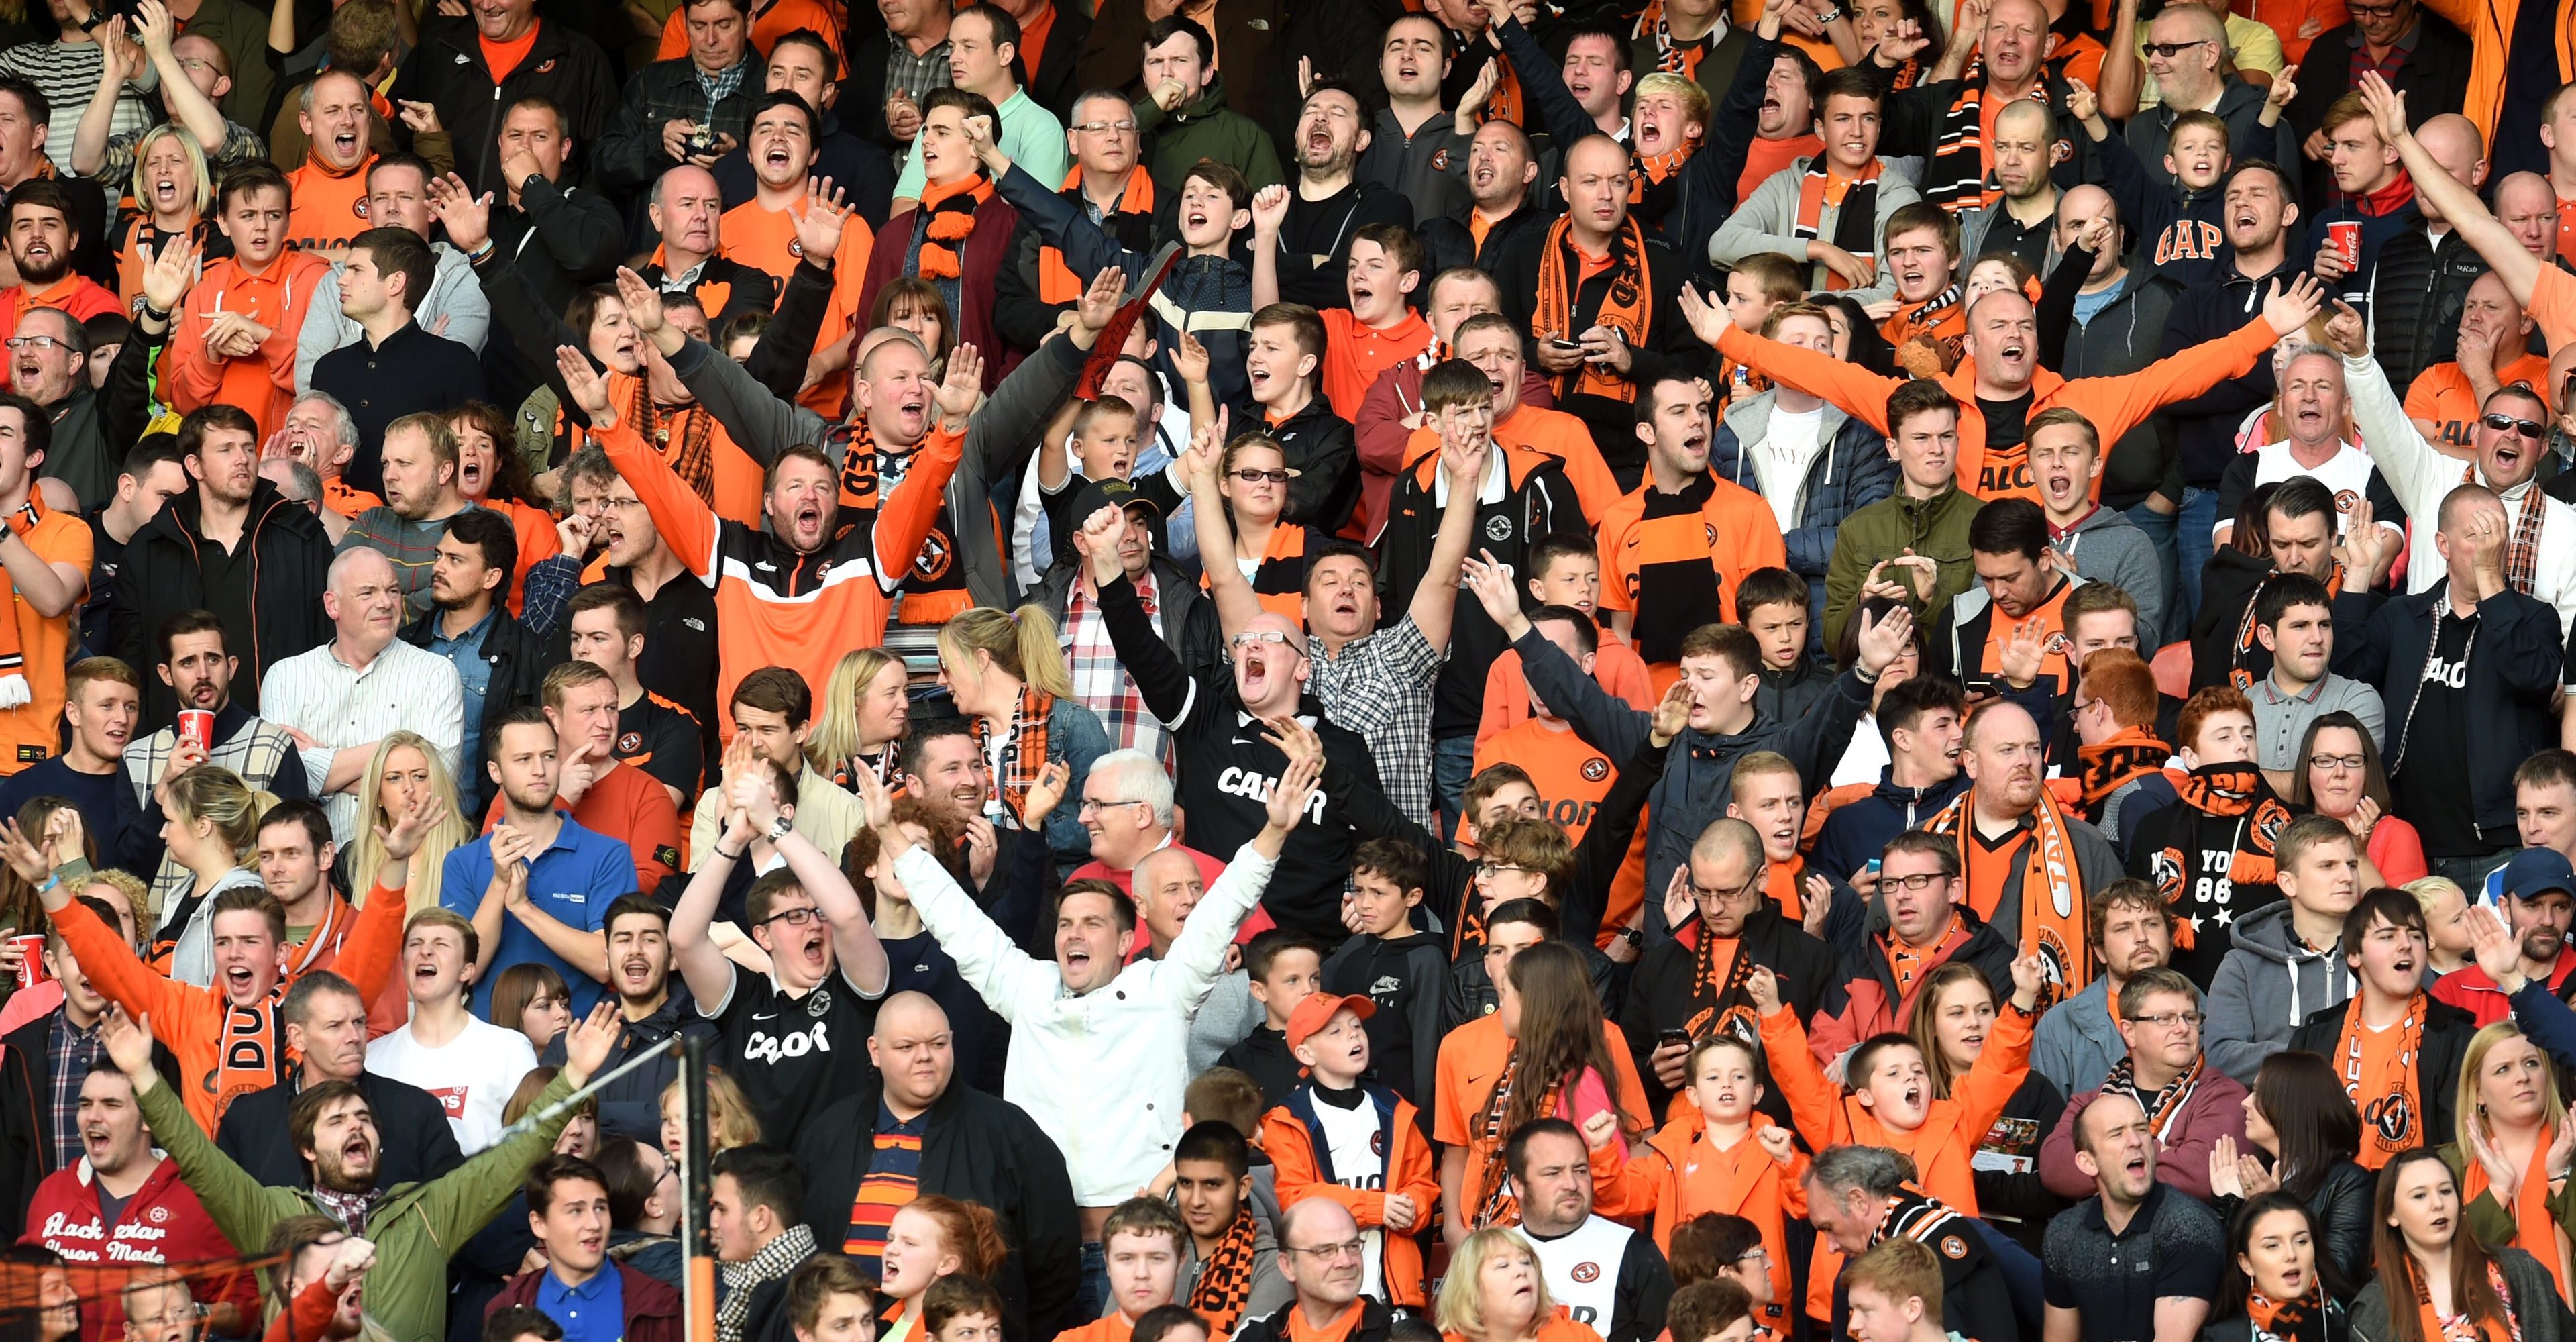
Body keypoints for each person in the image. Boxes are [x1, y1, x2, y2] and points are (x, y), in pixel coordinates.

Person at [102, 962, 616, 1342]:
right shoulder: (272, 1217)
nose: (358, 1128)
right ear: (306, 1148)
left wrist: (571, 1076)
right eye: (338, 1121)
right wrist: (144, 1075)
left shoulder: (427, 1212)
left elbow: (514, 1156)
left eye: (365, 1120)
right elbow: (196, 1159)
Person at [2345, 484, 2565, 888]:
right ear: (2443, 545)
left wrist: (2489, 583)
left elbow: (2532, 679)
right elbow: (2343, 678)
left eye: (2495, 533)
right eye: (2475, 535)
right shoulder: (2402, 616)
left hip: (2499, 845)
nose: (2488, 547)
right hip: (2410, 844)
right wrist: (2359, 574)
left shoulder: (2534, 618)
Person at [109, 402, 334, 724]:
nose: (242, 458)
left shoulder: (301, 536)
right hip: (182, 743)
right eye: (226, 450)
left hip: (284, 736)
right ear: (195, 466)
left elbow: (328, 641)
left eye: (248, 448)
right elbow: (131, 661)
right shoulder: (150, 547)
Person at [19, 1066, 253, 1342]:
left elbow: (249, 1308)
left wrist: (192, 1314)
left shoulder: (197, 1198)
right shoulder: (52, 1191)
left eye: (111, 1105)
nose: (92, 1116)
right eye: (85, 1104)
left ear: (149, 1120)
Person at [259, 548, 463, 849]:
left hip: (409, 860)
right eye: (368, 593)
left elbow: (435, 785)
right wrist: (395, 752)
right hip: (313, 867)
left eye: (393, 590)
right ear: (332, 605)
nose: (385, 603)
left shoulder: (435, 673)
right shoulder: (286, 676)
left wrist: (321, 760)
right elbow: (280, 784)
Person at [2040, 968, 2251, 1202]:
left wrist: (2105, 1157)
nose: (2182, 1028)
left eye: (2190, 1018)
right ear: (2129, 1033)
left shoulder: (2226, 1097)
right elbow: (2054, 1166)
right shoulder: (2090, 1102)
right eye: (2164, 1019)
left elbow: (2200, 1175)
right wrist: (2165, 1151)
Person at [2041, 1090, 2226, 1342]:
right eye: (2117, 1134)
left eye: (2141, 1130)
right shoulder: (2064, 1233)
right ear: (2087, 1163)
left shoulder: (2188, 1225)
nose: (2135, 1141)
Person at [309, 230, 487, 481]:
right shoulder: (328, 368)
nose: (341, 280)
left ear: (395, 283)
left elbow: (470, 461)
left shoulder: (454, 364)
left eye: (356, 270)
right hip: (336, 516)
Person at [2204, 815, 2367, 1082]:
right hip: (2276, 1118)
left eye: (2352, 865)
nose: (2347, 877)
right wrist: (2322, 1054)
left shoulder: (2387, 952)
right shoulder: (2243, 965)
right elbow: (2223, 1058)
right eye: (2328, 866)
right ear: (2288, 883)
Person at [364, 905, 539, 1153]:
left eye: (441, 944)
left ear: (467, 971)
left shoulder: (509, 1049)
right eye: (415, 944)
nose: (425, 951)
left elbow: (531, 1146)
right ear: (403, 965)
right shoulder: (372, 1059)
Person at [2349, 1147, 2571, 1342]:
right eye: (2420, 1196)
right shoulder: (2372, 1311)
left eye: (2446, 1191)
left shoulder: (2522, 1271)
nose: (2438, 1204)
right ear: (2391, 1214)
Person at [1801, 1145, 2017, 1342]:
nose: (1831, 1247)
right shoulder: (1917, 1220)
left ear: (1859, 1201)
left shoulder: (1916, 1253)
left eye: (1829, 1228)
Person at [486, 1153, 685, 1342]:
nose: (594, 1224)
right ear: (539, 1224)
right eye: (576, 1211)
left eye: (600, 1208)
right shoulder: (507, 1308)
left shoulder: (660, 1307)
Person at [1511, 1118, 1676, 1342]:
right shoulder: (1490, 1256)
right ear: (1518, 1185)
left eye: (1580, 1170)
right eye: (1553, 1173)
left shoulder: (1634, 1251)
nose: (1571, 1184)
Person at [526, 662, 682, 895]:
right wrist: (559, 801)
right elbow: (494, 871)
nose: (606, 723)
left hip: (610, 928)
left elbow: (653, 884)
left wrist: (566, 895)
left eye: (611, 708)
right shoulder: (523, 782)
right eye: (589, 710)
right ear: (553, 718)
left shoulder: (648, 794)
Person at [2032, 878, 2178, 1098]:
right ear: (2100, 950)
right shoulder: (2059, 1026)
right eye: (2124, 928)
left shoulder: (2207, 1013)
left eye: (2151, 924)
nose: (2142, 938)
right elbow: (2049, 1124)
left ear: (2171, 939)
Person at [561, 585, 700, 807]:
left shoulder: (674, 724)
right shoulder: (556, 719)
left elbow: (654, 814)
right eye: (576, 638)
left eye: (597, 639)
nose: (581, 649)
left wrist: (562, 797)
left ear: (634, 646)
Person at [1232, 1198, 1407, 1342]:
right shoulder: (1256, 1334)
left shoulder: (1398, 1334)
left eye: (1353, 1246)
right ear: (1287, 1266)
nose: (1345, 1261)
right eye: (1325, 1251)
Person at [1432, 1227, 1597, 1342]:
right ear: (1470, 1288)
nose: (1521, 1271)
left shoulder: (1580, 1337)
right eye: (1503, 1265)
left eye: (1526, 1262)